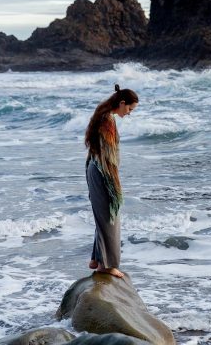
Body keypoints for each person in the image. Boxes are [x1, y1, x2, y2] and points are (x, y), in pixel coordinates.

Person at [84, 84, 138, 278]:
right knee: (110, 217)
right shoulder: (107, 120)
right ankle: (107, 265)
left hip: (95, 169)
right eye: (129, 109)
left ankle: (97, 259)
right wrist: (114, 183)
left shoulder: (103, 114)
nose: (129, 113)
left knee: (103, 216)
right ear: (122, 103)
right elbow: (108, 155)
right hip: (101, 171)